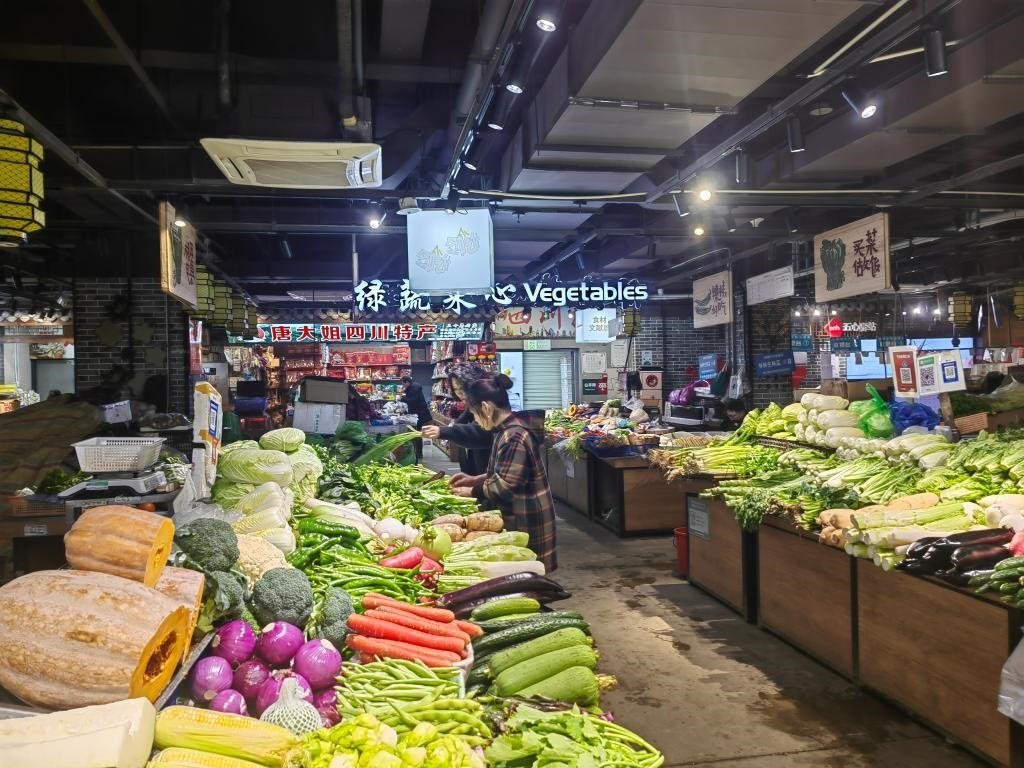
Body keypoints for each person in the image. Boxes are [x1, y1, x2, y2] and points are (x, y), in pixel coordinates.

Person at [450, 374, 557, 571]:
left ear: (486, 408)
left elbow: (506, 485)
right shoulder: (505, 430)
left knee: (529, 574)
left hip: (527, 517)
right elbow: (506, 472)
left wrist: (472, 491)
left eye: (475, 415)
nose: (476, 421)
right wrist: (474, 479)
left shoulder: (513, 436)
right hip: (521, 512)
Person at [421, 363, 493, 475]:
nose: (460, 393)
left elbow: (482, 433)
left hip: (488, 473)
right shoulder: (471, 405)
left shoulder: (489, 403)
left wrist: (443, 431)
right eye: (456, 389)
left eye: (463, 387)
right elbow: (464, 420)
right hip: (475, 473)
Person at [400, 375, 432, 460]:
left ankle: (419, 453)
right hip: (418, 413)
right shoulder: (413, 388)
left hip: (420, 415)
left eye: (403, 384)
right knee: (417, 433)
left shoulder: (414, 389)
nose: (403, 386)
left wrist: (403, 399)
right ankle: (418, 452)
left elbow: (413, 401)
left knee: (417, 433)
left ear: (407, 382)